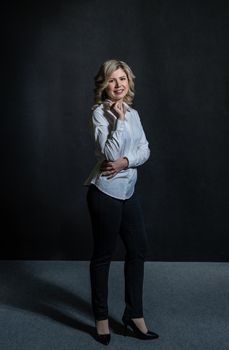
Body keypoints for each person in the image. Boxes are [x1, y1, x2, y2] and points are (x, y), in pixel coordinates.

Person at [84, 59, 159, 345]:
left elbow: (145, 150)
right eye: (113, 80)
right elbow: (108, 152)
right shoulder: (99, 114)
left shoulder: (135, 113)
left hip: (128, 192)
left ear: (129, 82)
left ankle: (134, 314)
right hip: (104, 193)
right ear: (105, 84)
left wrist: (126, 162)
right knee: (103, 256)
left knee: (138, 249)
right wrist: (119, 121)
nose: (118, 85)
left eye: (123, 79)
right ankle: (101, 319)